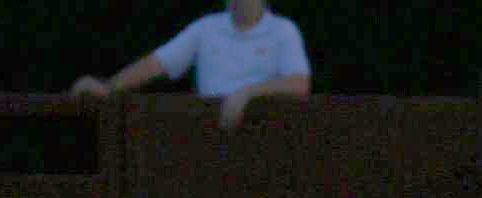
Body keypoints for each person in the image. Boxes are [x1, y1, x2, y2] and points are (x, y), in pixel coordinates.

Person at [68, 0, 310, 130]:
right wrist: (110, 86)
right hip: (212, 131)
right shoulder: (206, 27)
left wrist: (246, 93)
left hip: (267, 134)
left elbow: (299, 83)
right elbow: (158, 63)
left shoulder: (283, 30)